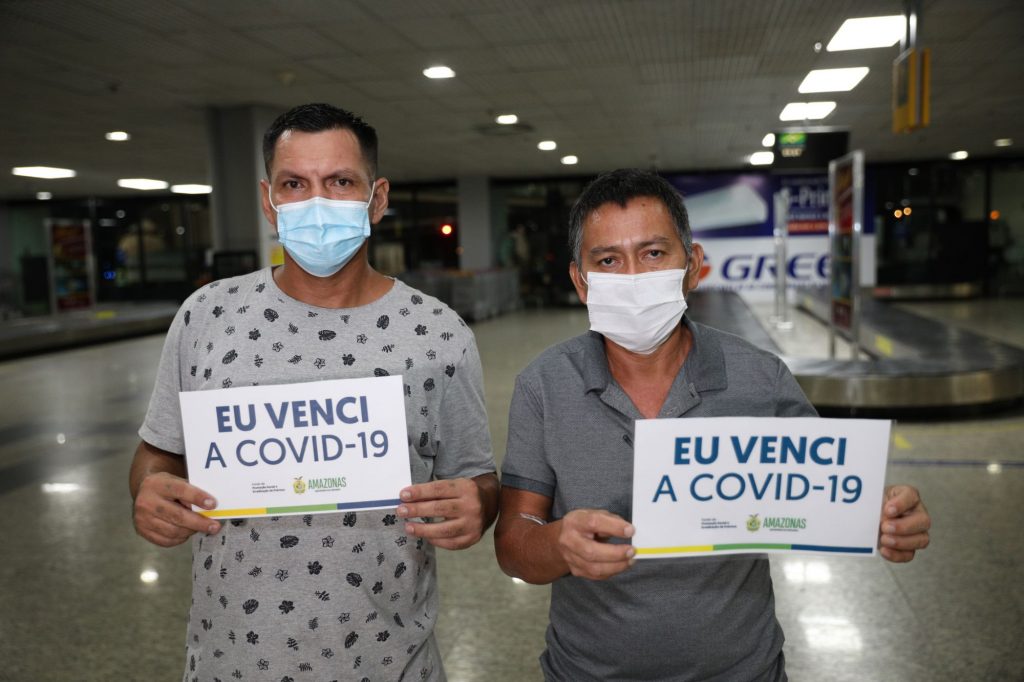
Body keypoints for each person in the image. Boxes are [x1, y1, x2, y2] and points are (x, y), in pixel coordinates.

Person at [494, 168, 931, 681]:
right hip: (586, 672)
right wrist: (557, 544)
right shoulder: (544, 385)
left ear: (693, 265)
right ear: (580, 281)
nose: (632, 277)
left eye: (653, 253)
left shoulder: (760, 378)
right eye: (608, 260)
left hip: (744, 670)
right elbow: (514, 544)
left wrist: (883, 517)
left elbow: (827, 497)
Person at [130, 103, 498, 681]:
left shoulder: (438, 333)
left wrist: (478, 507)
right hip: (232, 660)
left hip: (389, 661)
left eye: (340, 182)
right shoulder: (207, 316)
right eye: (294, 184)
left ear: (376, 198)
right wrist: (150, 491)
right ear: (268, 199)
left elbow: (478, 477)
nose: (316, 203)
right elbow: (157, 454)